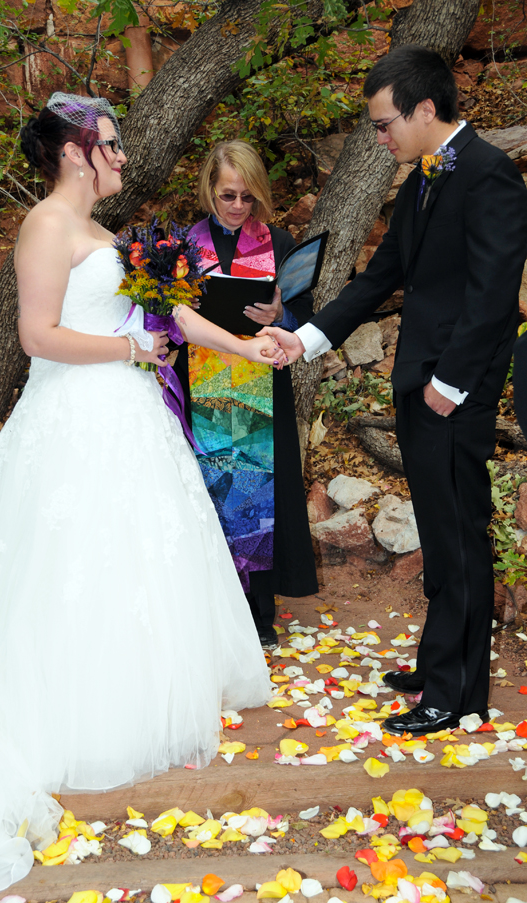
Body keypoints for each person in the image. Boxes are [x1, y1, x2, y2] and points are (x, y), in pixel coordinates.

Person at [0, 92, 283, 902]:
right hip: (69, 419)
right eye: (112, 145)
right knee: (71, 562)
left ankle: (129, 705)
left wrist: (247, 345)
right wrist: (129, 349)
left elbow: (172, 314)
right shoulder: (46, 225)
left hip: (129, 419)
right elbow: (38, 336)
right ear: (74, 153)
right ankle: (72, 718)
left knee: (134, 560)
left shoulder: (110, 234)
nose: (123, 157)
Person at [261, 45, 527, 735]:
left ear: (425, 108)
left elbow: (494, 295)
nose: (380, 138)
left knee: (459, 536)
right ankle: (440, 664)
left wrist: (450, 383)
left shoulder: (490, 175)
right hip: (419, 385)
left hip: (453, 392)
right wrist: (305, 339)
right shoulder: (420, 182)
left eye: (384, 124)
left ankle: (457, 694)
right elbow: (380, 279)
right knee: (439, 535)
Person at [174, 140, 318, 649]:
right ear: (208, 190)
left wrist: (281, 315)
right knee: (211, 488)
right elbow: (162, 316)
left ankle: (258, 613)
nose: (237, 206)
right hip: (202, 380)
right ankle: (214, 606)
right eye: (227, 195)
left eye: (247, 197)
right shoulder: (182, 245)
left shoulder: (278, 241)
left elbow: (303, 313)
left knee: (257, 490)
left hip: (261, 383)